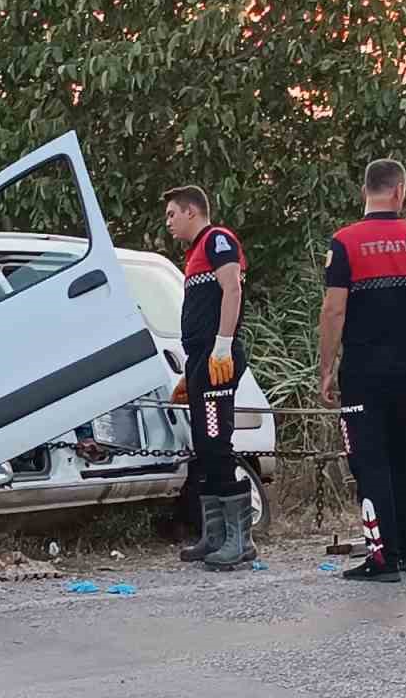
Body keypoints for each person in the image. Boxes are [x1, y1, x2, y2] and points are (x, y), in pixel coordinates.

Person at [316, 159, 406, 583]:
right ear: (400, 191)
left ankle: (381, 557)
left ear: (365, 191)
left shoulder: (345, 243)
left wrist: (326, 368)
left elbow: (334, 310)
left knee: (370, 462)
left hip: (364, 373)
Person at [162, 184, 255, 570]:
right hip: (201, 361)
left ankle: (240, 541)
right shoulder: (194, 254)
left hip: (218, 359)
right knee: (204, 446)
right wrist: (191, 370)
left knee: (217, 443)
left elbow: (232, 288)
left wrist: (222, 345)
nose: (168, 222)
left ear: (191, 211)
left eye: (172, 214)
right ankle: (214, 535)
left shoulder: (218, 240)